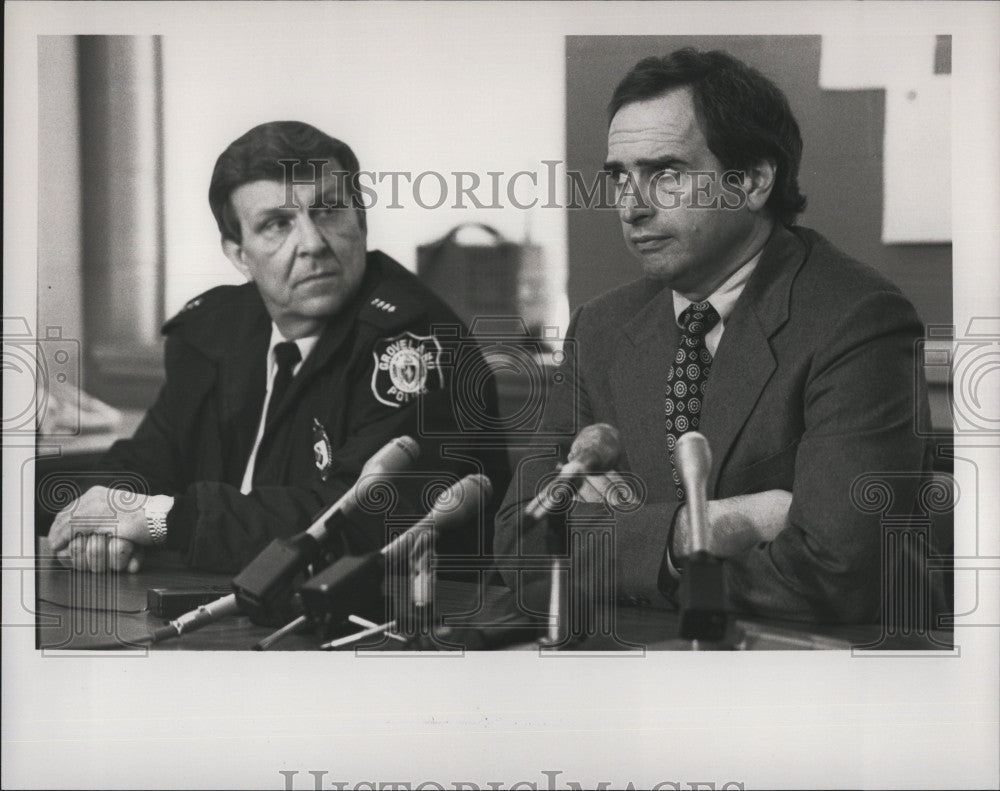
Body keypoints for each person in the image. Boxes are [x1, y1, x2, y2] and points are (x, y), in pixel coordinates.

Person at [494, 49, 936, 625]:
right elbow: (520, 543)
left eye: (666, 174)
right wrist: (718, 526)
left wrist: (617, 540)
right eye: (619, 178)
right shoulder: (600, 327)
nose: (631, 207)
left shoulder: (858, 319)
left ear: (751, 180)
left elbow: (836, 572)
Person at [49, 121, 506, 574]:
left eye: (328, 210)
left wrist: (159, 520)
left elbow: (360, 520)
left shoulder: (417, 343)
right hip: (235, 608)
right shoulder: (217, 330)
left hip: (397, 620)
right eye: (277, 224)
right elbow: (147, 457)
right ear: (238, 255)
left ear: (361, 221)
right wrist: (102, 519)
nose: (312, 243)